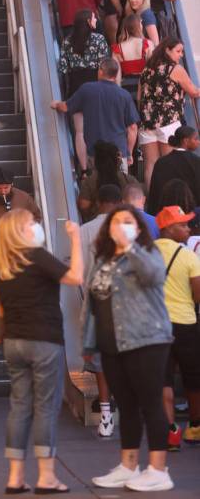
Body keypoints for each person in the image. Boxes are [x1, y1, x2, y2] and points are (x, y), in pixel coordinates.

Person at [0, 209, 82, 493]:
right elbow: (75, 277)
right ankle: (46, 476)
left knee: (19, 406)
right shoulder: (37, 257)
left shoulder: (0, 264)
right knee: (45, 407)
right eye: (31, 223)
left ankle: (15, 477)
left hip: (14, 342)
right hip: (44, 339)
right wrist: (75, 240)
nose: (36, 226)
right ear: (21, 230)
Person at [83, 206, 173, 492]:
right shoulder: (103, 259)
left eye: (128, 222)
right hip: (112, 344)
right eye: (116, 222)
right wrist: (89, 342)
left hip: (146, 340)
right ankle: (128, 464)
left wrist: (130, 246)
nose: (121, 227)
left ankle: (159, 469)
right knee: (128, 406)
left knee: (151, 403)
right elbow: (93, 301)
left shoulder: (148, 253)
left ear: (139, 228)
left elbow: (154, 276)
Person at [155, 205, 200, 448]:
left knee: (163, 379)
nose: (188, 228)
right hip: (185, 324)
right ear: (169, 228)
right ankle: (194, 427)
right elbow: (198, 294)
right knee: (193, 377)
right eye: (183, 225)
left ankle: (170, 431)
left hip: (156, 326)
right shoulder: (189, 257)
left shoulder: (146, 252)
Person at [79, 184, 122, 438]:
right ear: (118, 203)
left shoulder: (85, 231)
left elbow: (80, 272)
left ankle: (105, 415)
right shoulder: (128, 229)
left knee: (100, 361)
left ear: (98, 202)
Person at [52, 58, 139, 172]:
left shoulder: (87, 89)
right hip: (119, 152)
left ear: (101, 71)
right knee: (120, 185)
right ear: (116, 74)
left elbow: (66, 107)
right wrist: (129, 152)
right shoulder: (124, 95)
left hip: (95, 152)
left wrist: (56, 104)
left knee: (97, 185)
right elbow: (132, 128)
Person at [138, 37, 200, 188]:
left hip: (147, 123)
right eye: (178, 51)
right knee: (170, 163)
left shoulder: (146, 69)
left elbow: (139, 97)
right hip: (168, 122)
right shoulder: (175, 69)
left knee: (150, 165)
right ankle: (169, 201)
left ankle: (153, 201)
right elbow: (194, 92)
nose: (181, 55)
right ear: (167, 50)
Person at [78, 140, 140, 221]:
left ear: (97, 161)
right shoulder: (130, 180)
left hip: (96, 222)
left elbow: (83, 205)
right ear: (117, 160)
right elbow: (137, 203)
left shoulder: (90, 181)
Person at [147, 126, 200, 215]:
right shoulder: (196, 162)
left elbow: (154, 192)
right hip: (190, 215)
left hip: (165, 215)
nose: (198, 142)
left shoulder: (161, 162)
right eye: (196, 139)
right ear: (186, 141)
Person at [58, 9, 109, 97]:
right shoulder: (99, 39)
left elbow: (63, 68)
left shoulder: (67, 41)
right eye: (94, 18)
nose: (96, 20)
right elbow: (104, 64)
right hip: (95, 82)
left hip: (75, 84)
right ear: (89, 22)